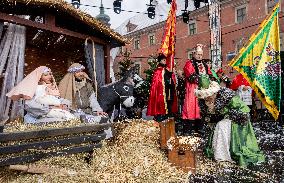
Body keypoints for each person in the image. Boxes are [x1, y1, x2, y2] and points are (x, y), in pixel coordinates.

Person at [195, 81, 265, 167]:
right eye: (204, 97)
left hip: (237, 120)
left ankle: (224, 155)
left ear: (214, 92)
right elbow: (208, 116)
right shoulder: (204, 101)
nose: (207, 98)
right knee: (218, 126)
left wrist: (225, 113)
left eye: (209, 95)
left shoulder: (227, 96)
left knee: (221, 126)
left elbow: (242, 113)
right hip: (222, 119)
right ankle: (217, 151)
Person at [6, 66, 76, 123]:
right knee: (60, 121)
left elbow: (56, 99)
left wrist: (64, 104)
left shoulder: (49, 87)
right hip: (37, 116)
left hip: (53, 112)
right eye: (46, 75)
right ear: (39, 76)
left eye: (50, 74)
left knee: (70, 118)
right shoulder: (33, 88)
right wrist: (52, 108)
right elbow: (30, 106)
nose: (49, 77)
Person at [182, 44, 212, 135]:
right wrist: (200, 79)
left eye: (201, 55)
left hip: (203, 89)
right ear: (194, 54)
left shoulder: (204, 64)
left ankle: (199, 127)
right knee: (191, 107)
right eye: (198, 54)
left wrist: (209, 80)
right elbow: (190, 76)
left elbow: (209, 74)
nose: (199, 56)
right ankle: (188, 128)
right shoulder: (189, 63)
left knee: (201, 108)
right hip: (193, 88)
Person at [147, 54, 178, 122]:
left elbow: (173, 80)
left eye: (166, 60)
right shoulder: (158, 71)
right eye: (164, 60)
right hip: (161, 95)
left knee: (169, 109)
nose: (166, 61)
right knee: (162, 111)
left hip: (170, 94)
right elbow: (157, 84)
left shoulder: (169, 70)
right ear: (160, 61)